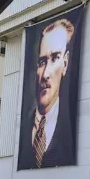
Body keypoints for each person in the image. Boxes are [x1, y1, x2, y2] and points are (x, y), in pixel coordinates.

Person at [18, 18, 77, 170]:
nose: (45, 74)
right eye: (42, 62)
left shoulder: (72, 126)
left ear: (65, 63)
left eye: (55, 58)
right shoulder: (23, 128)